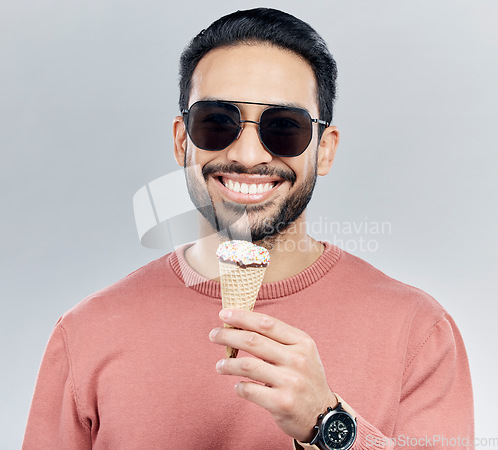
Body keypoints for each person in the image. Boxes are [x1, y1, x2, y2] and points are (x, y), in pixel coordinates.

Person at [23, 8, 474, 450]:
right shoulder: (85, 333)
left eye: (285, 127)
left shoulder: (418, 333)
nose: (249, 154)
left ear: (324, 150)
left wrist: (328, 424)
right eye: (218, 121)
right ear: (182, 140)